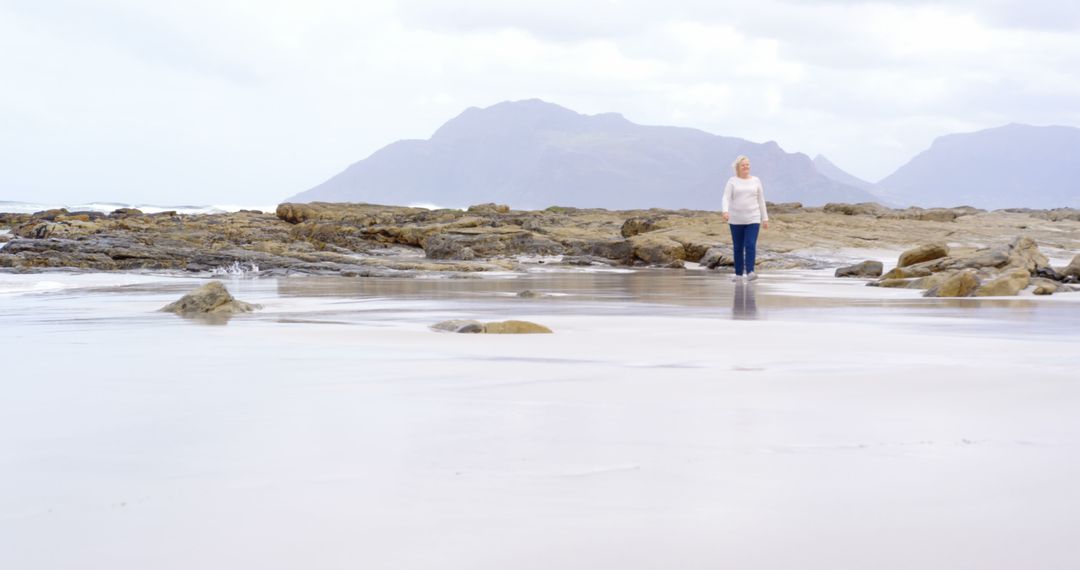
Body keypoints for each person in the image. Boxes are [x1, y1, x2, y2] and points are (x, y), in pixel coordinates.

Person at [722, 155, 769, 282]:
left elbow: (761, 200)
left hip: (753, 218)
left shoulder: (756, 180)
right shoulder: (732, 181)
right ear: (738, 167)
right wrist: (725, 211)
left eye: (747, 164)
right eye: (743, 165)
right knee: (738, 247)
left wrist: (765, 218)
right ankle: (738, 274)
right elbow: (726, 197)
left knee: (750, 244)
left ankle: (750, 272)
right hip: (736, 219)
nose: (746, 167)